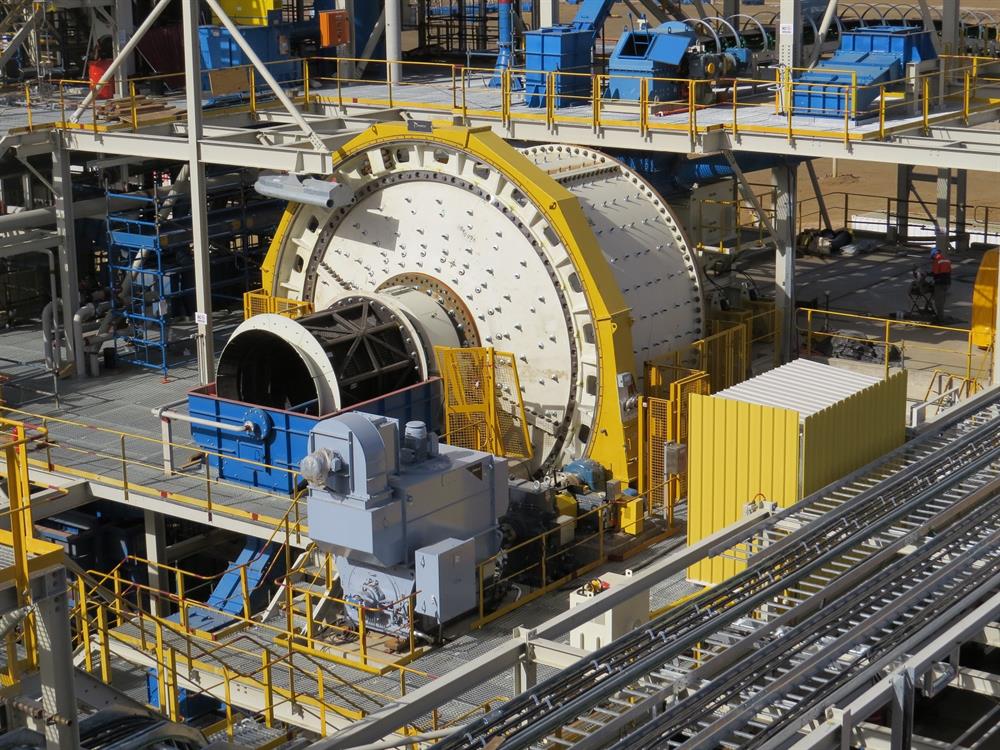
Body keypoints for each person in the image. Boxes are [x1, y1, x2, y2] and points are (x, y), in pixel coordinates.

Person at [930, 246, 952, 324]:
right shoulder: (947, 260)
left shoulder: (937, 260)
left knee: (938, 302)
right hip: (947, 283)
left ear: (934, 254)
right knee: (942, 300)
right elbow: (949, 271)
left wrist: (926, 274)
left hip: (940, 284)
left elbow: (935, 273)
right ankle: (940, 316)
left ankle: (940, 319)